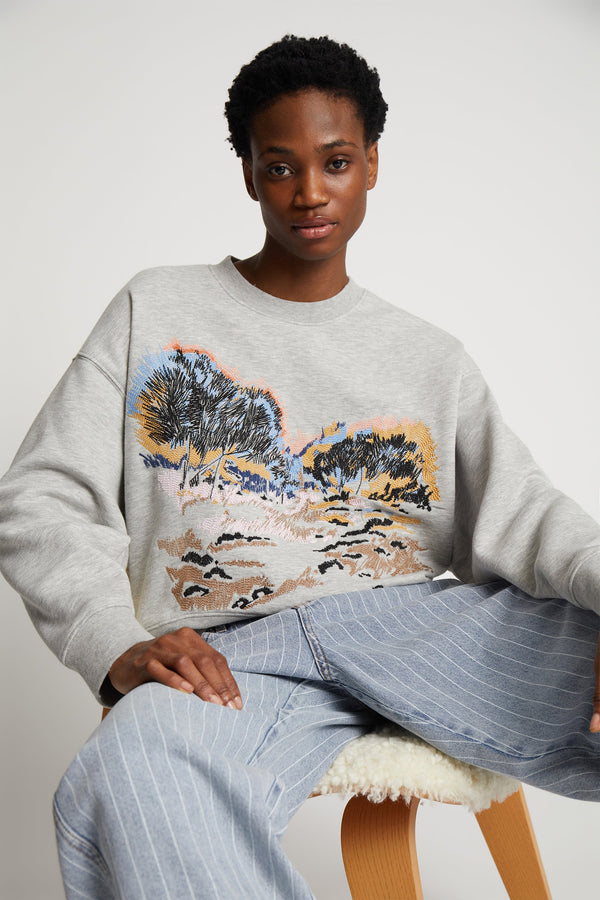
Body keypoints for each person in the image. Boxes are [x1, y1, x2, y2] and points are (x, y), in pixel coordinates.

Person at [1, 34, 599, 899]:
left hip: (413, 632)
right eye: (280, 167)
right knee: (131, 771)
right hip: (234, 665)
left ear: (372, 164)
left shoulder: (430, 358)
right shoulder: (153, 308)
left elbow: (529, 514)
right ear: (249, 174)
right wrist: (115, 643)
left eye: (336, 162)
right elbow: (40, 499)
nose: (310, 192)